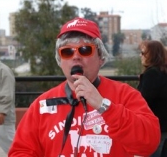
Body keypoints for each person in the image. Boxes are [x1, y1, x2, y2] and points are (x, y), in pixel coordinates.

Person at [8, 17, 160, 157]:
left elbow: (149, 143)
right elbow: (20, 151)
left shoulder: (125, 95)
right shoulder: (43, 105)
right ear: (60, 61)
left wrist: (104, 106)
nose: (76, 56)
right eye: (67, 52)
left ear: (101, 58)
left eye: (85, 49)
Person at [137, 40, 167, 157]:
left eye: (143, 53)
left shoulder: (152, 75)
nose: (141, 55)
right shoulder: (163, 72)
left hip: (155, 129)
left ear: (152, 55)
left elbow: (142, 101)